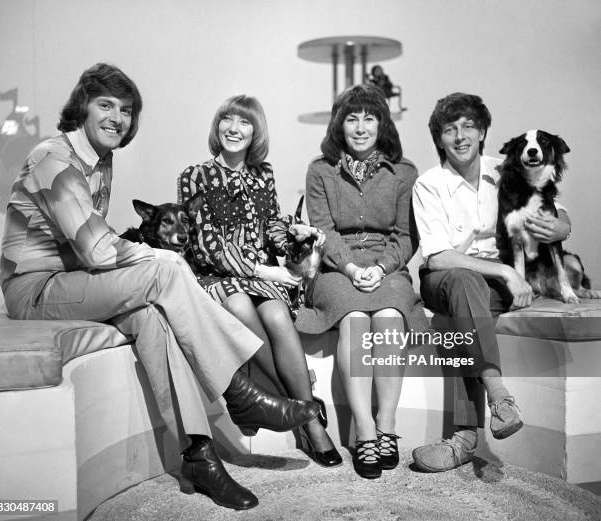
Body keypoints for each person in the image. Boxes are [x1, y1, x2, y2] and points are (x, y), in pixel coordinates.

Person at [0, 64, 320, 510]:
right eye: (105, 106)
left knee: (155, 317)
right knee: (168, 268)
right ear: (81, 110)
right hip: (35, 290)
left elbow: (90, 250)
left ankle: (199, 457)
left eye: (126, 110)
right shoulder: (54, 157)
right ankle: (238, 391)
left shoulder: (99, 161)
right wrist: (161, 255)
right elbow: (94, 250)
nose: (117, 118)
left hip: (73, 282)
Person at [177, 95, 342, 468]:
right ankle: (308, 415)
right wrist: (266, 270)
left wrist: (295, 236)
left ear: (256, 132)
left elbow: (271, 229)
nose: (234, 128)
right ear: (217, 127)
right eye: (227, 120)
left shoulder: (262, 174)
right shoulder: (194, 176)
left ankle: (298, 412)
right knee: (237, 306)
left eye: (244, 122)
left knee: (278, 317)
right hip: (215, 273)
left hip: (263, 273)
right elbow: (206, 246)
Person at [411, 92, 571, 472]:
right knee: (464, 284)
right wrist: (505, 271)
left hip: (493, 289)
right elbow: (438, 256)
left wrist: (563, 226)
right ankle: (499, 395)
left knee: (463, 315)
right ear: (439, 139)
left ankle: (463, 439)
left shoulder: (507, 169)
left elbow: (554, 204)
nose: (460, 136)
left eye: (468, 126)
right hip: (445, 278)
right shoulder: (429, 184)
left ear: (483, 131)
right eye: (450, 130)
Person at [295, 84, 428, 479]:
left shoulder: (404, 172)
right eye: (351, 118)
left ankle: (386, 425)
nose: (360, 126)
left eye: (369, 117)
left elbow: (406, 236)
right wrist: (352, 268)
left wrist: (383, 268)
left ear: (382, 123)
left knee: (388, 316)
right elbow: (322, 229)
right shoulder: (320, 169)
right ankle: (364, 431)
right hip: (337, 268)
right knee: (355, 318)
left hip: (387, 266)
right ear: (339, 124)